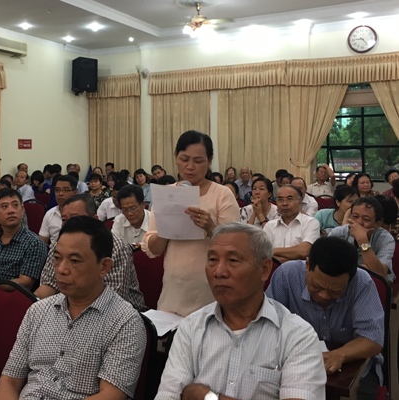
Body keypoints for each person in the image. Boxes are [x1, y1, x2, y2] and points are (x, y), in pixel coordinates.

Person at [155, 222, 326, 399]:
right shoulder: (191, 328)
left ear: (264, 269)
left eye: (233, 261)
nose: (219, 272)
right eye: (212, 260)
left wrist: (207, 397)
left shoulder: (297, 336)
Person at [0, 216, 146, 399]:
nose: (61, 269)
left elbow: (112, 395)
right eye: (57, 258)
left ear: (104, 267)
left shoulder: (125, 322)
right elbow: (9, 381)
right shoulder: (38, 311)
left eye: (74, 261)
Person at [266, 237, 384, 400]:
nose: (324, 295)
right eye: (317, 286)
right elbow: (267, 326)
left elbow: (372, 339)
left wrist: (340, 354)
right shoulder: (287, 275)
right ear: (307, 265)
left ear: (350, 278)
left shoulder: (362, 283)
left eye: (335, 291)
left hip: (353, 366)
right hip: (293, 363)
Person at [142, 130, 240, 317]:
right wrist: (167, 228)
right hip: (174, 289)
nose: (190, 166)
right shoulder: (166, 195)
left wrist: (210, 227)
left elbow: (235, 245)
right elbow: (153, 250)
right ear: (176, 157)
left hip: (211, 288)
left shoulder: (222, 195)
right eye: (184, 159)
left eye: (198, 161)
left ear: (209, 161)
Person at [35, 194, 146, 311]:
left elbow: (112, 298)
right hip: (67, 306)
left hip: (120, 311)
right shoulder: (59, 244)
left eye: (75, 219)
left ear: (95, 220)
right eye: (64, 220)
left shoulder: (117, 247)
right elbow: (49, 284)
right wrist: (34, 303)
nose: (69, 225)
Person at [329, 197, 395, 282]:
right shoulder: (338, 234)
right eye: (355, 216)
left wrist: (362, 240)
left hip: (375, 284)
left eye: (366, 219)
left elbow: (379, 273)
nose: (359, 222)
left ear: (378, 223)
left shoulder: (386, 238)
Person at [263, 185, 320, 263]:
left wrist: (272, 251)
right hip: (274, 269)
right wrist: (291, 257)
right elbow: (262, 253)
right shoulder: (270, 225)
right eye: (280, 199)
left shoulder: (310, 222)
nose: (284, 203)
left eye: (290, 199)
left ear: (300, 201)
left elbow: (304, 251)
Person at [39, 175, 78, 246]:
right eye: (57, 190)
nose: (60, 194)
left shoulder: (81, 213)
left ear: (75, 193)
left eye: (66, 190)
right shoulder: (50, 213)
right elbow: (42, 243)